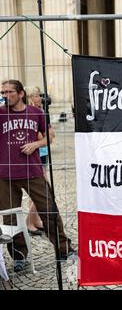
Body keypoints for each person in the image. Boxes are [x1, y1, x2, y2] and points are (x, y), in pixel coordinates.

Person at [0, 79, 76, 272]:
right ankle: (19, 257)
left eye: (9, 92)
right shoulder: (0, 114)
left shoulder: (36, 113)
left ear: (20, 94)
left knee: (49, 209)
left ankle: (63, 249)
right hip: (5, 174)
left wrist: (35, 144)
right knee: (10, 219)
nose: (5, 96)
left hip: (32, 171)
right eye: (3, 92)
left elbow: (49, 137)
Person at [26, 87, 56, 236]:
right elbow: (38, 136)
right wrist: (44, 136)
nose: (40, 98)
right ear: (30, 97)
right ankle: (29, 222)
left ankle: (36, 221)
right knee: (43, 189)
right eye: (37, 95)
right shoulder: (30, 113)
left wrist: (46, 135)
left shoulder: (42, 111)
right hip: (36, 154)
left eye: (40, 95)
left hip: (44, 154)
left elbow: (50, 134)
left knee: (41, 188)